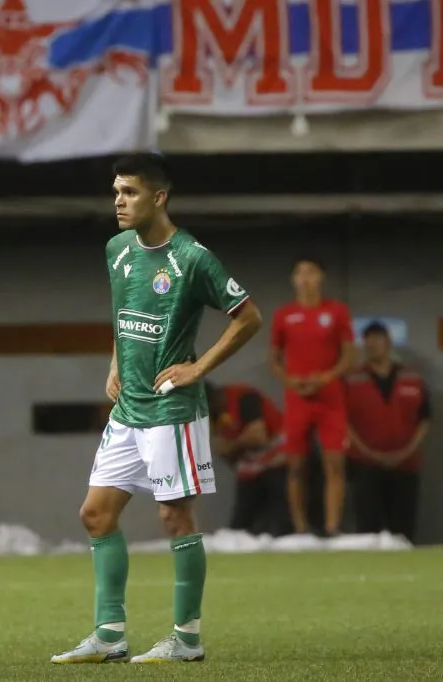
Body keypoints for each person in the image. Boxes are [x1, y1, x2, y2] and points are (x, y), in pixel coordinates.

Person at [51, 153, 262, 666]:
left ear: (159, 197)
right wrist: (115, 360)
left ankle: (186, 638)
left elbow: (249, 317)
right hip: (128, 408)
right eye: (116, 191)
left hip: (171, 410)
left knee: (174, 517)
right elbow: (125, 312)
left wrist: (198, 368)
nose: (119, 202)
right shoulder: (118, 249)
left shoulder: (191, 257)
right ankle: (109, 635)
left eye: (130, 192)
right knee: (96, 514)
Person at [269, 257, 355, 537]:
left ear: (322, 277)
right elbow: (274, 359)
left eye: (311, 272)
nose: (305, 278)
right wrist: (290, 381)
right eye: (299, 273)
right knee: (295, 465)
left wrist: (325, 378)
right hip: (298, 399)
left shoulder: (337, 311)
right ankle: (300, 527)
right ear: (293, 280)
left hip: (331, 399)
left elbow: (349, 355)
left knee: (335, 463)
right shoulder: (284, 315)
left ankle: (332, 525)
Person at [345, 322, 430, 543]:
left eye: (378, 339)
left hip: (405, 465)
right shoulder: (351, 380)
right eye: (369, 340)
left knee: (403, 530)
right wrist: (371, 454)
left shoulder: (413, 378)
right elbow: (344, 424)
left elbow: (424, 420)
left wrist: (404, 453)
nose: (373, 345)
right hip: (364, 466)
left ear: (388, 342)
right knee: (368, 530)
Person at [207, 382, 290, 537]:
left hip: (278, 459)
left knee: (281, 521)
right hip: (251, 467)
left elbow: (258, 436)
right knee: (240, 525)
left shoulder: (244, 399)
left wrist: (231, 445)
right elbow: (222, 448)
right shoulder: (215, 415)